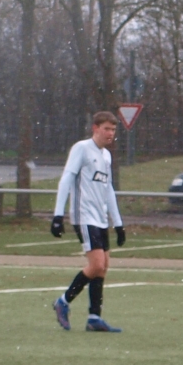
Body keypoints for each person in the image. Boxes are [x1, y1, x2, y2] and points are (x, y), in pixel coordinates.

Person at [52, 112, 126, 333]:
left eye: (113, 130)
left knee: (103, 268)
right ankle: (63, 301)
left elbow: (108, 189)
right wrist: (58, 215)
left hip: (100, 218)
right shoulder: (82, 148)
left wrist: (118, 223)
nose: (110, 134)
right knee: (96, 265)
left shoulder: (106, 156)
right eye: (106, 129)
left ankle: (94, 317)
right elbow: (66, 179)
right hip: (84, 216)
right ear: (95, 128)